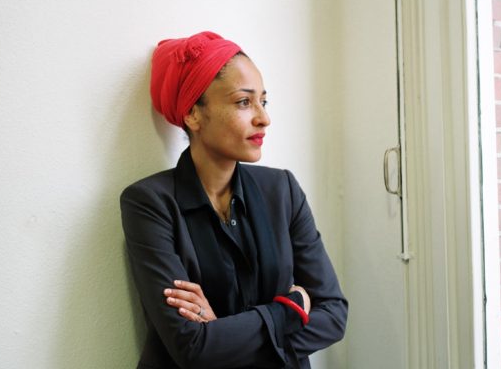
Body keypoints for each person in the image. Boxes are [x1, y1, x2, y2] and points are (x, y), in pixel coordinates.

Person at [120, 31, 348, 368]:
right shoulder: (149, 204)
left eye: (263, 102)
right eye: (244, 102)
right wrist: (289, 310)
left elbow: (333, 315)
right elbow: (192, 348)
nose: (263, 118)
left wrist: (220, 333)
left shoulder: (282, 190)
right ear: (193, 114)